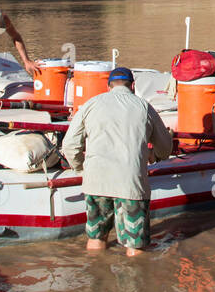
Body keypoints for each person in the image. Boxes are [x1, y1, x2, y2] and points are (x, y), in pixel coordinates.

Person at [60, 66, 173, 256]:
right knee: (135, 246)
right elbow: (165, 148)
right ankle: (134, 283)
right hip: (130, 184)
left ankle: (95, 278)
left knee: (96, 239)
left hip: (96, 181)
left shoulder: (91, 104)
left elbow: (70, 145)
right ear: (133, 86)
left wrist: (81, 168)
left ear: (108, 86)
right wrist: (156, 156)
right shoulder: (143, 106)